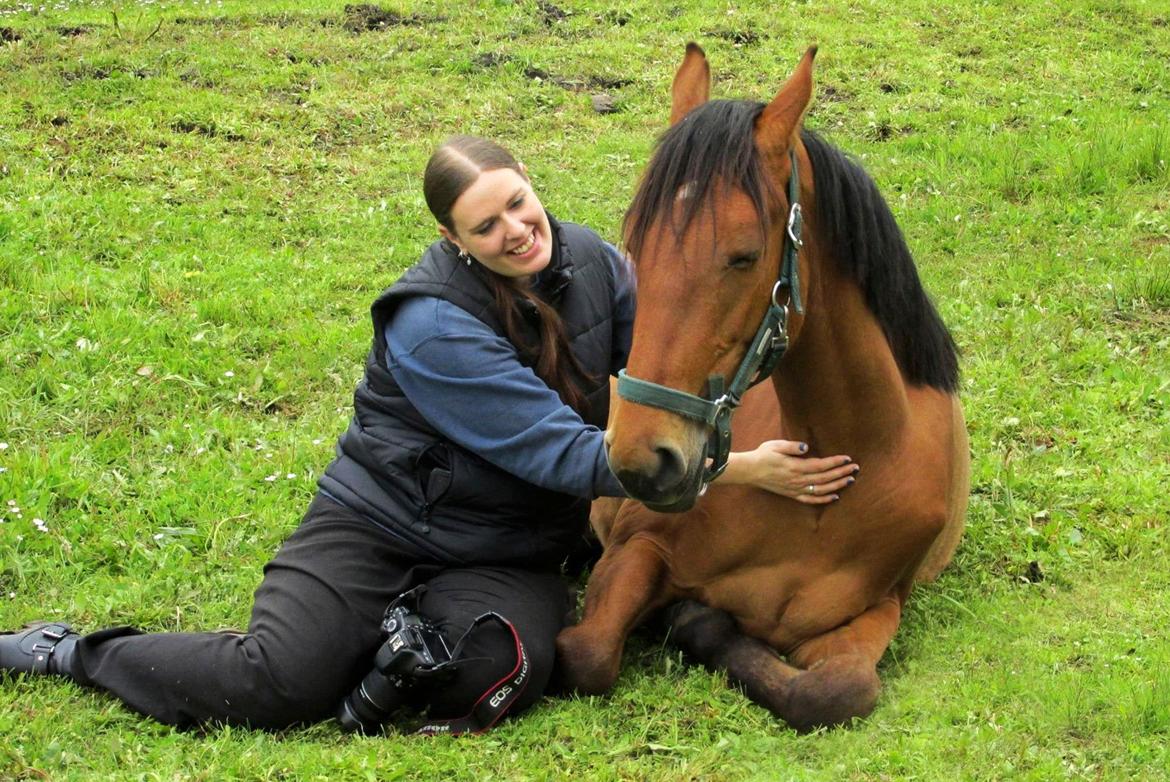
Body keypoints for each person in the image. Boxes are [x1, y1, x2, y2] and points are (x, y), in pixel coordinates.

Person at [1, 136, 860, 734]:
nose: (517, 231)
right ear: (453, 239)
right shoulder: (429, 325)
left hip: (507, 547)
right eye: (487, 227)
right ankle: (73, 653)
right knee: (278, 681)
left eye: (519, 204)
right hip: (380, 527)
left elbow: (653, 380)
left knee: (503, 671)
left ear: (531, 182)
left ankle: (384, 650)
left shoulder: (597, 263)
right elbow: (563, 453)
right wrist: (739, 469)